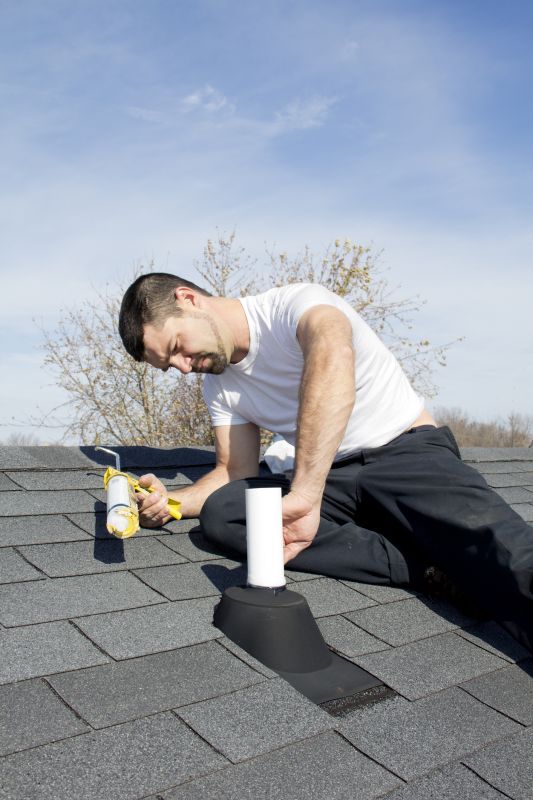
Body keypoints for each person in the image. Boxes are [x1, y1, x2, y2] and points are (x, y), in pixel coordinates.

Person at [118, 272, 533, 651]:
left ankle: (456, 555)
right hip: (331, 478)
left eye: (176, 348)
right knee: (225, 513)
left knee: (509, 557)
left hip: (407, 455)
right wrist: (170, 502)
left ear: (189, 299)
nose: (183, 367)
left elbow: (333, 356)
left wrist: (306, 493)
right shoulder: (219, 386)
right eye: (168, 366)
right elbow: (232, 471)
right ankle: (426, 568)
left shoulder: (297, 306)